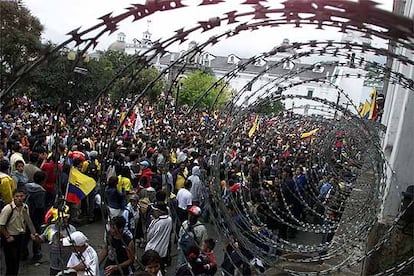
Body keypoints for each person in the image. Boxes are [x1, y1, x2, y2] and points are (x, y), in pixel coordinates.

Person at [0, 189, 38, 275]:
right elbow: (1, 225)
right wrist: (7, 236)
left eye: (21, 196)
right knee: (11, 261)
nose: (19, 198)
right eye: (17, 196)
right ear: (13, 197)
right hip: (10, 237)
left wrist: (33, 233)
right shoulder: (8, 209)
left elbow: (28, 221)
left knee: (17, 260)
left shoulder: (25, 207)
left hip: (20, 236)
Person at [34, 205, 77, 276]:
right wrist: (36, 238)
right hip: (54, 264)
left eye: (66, 218)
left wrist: (64, 239)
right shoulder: (50, 229)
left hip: (68, 263)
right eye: (62, 218)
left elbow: (76, 244)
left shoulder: (72, 229)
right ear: (56, 220)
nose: (65, 220)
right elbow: (41, 239)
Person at [22, 170, 47, 261]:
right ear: (43, 180)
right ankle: (36, 253)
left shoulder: (26, 186)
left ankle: (23, 253)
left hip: (25, 214)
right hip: (36, 216)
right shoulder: (41, 191)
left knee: (25, 234)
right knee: (36, 234)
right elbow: (40, 206)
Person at [145, 203, 172, 273]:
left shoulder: (156, 222)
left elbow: (149, 236)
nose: (153, 212)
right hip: (163, 252)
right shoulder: (169, 220)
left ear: (160, 211)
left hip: (152, 250)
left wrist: (152, 222)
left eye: (155, 210)